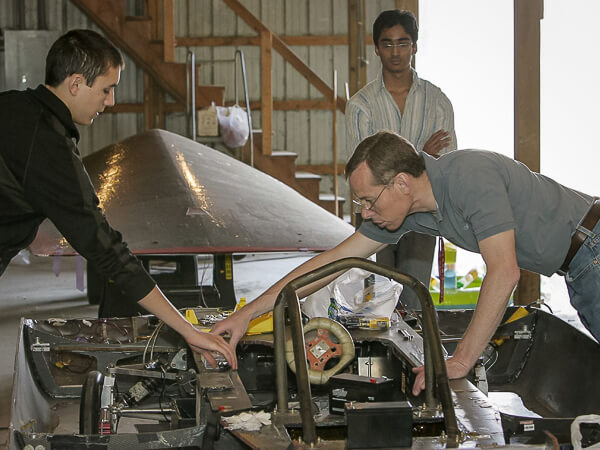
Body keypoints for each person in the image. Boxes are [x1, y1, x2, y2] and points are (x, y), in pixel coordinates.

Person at [212, 130, 599, 395]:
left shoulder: (468, 177)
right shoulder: (410, 212)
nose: (365, 212)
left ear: (400, 182)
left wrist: (460, 360)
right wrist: (249, 313)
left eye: (367, 200)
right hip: (579, 267)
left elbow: (505, 271)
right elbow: (332, 261)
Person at [0, 29, 236, 369]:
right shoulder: (50, 146)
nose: (110, 102)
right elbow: (107, 251)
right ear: (76, 83)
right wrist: (186, 329)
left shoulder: (11, 105)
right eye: (107, 89)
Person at [345, 10, 457, 309]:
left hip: (422, 213)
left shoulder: (438, 101)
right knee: (375, 299)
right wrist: (423, 155)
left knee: (415, 296)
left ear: (415, 47)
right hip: (375, 211)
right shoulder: (360, 105)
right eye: (388, 44)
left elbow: (446, 164)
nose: (396, 52)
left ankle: (418, 353)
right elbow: (363, 171)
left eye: (403, 43)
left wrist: (402, 164)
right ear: (377, 48)